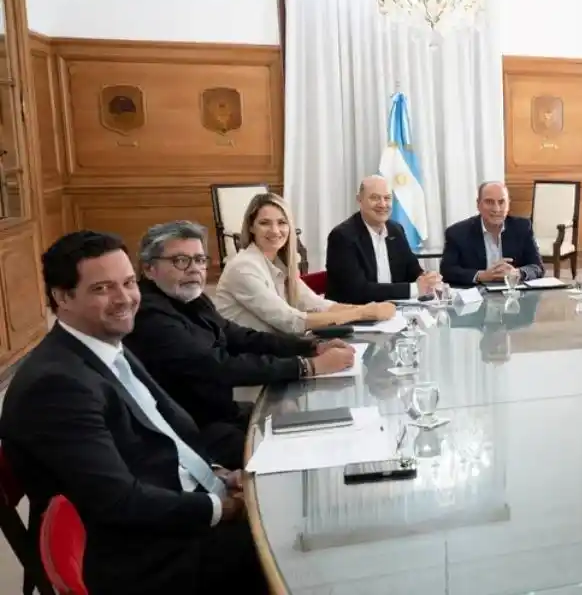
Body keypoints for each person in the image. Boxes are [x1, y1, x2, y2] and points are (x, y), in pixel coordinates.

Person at [0, 231, 266, 595]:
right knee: (291, 545)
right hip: (142, 560)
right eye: (102, 288)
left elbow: (162, 438)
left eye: (127, 283)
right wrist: (221, 507)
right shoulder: (56, 387)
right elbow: (119, 502)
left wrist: (216, 475)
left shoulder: (103, 346)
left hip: (167, 513)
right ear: (62, 297)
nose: (124, 298)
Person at [125, 221, 355, 460]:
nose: (194, 269)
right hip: (190, 433)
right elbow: (218, 366)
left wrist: (311, 347)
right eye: (181, 261)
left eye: (200, 260)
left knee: (324, 426)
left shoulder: (191, 297)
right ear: (149, 268)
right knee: (300, 454)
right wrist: (308, 366)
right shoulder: (149, 315)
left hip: (221, 413)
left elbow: (239, 336)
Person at [213, 192, 397, 333]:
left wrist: (369, 308)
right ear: (251, 227)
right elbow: (291, 321)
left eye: (282, 222)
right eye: (265, 223)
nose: (275, 230)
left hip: (277, 352)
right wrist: (362, 313)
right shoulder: (243, 267)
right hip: (252, 368)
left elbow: (315, 303)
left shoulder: (278, 263)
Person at [325, 175, 442, 304]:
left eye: (387, 198)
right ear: (359, 200)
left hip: (394, 312)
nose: (382, 204)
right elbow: (357, 291)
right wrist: (414, 289)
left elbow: (411, 269)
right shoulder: (342, 236)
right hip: (354, 315)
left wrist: (427, 279)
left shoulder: (396, 230)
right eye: (374, 198)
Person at [441, 181, 546, 286]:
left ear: (508, 204)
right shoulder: (457, 233)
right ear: (478, 204)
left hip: (515, 294)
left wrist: (517, 273)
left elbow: (537, 267)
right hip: (476, 295)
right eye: (489, 202)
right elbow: (447, 271)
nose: (496, 209)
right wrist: (481, 275)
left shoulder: (522, 227)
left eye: (501, 202)